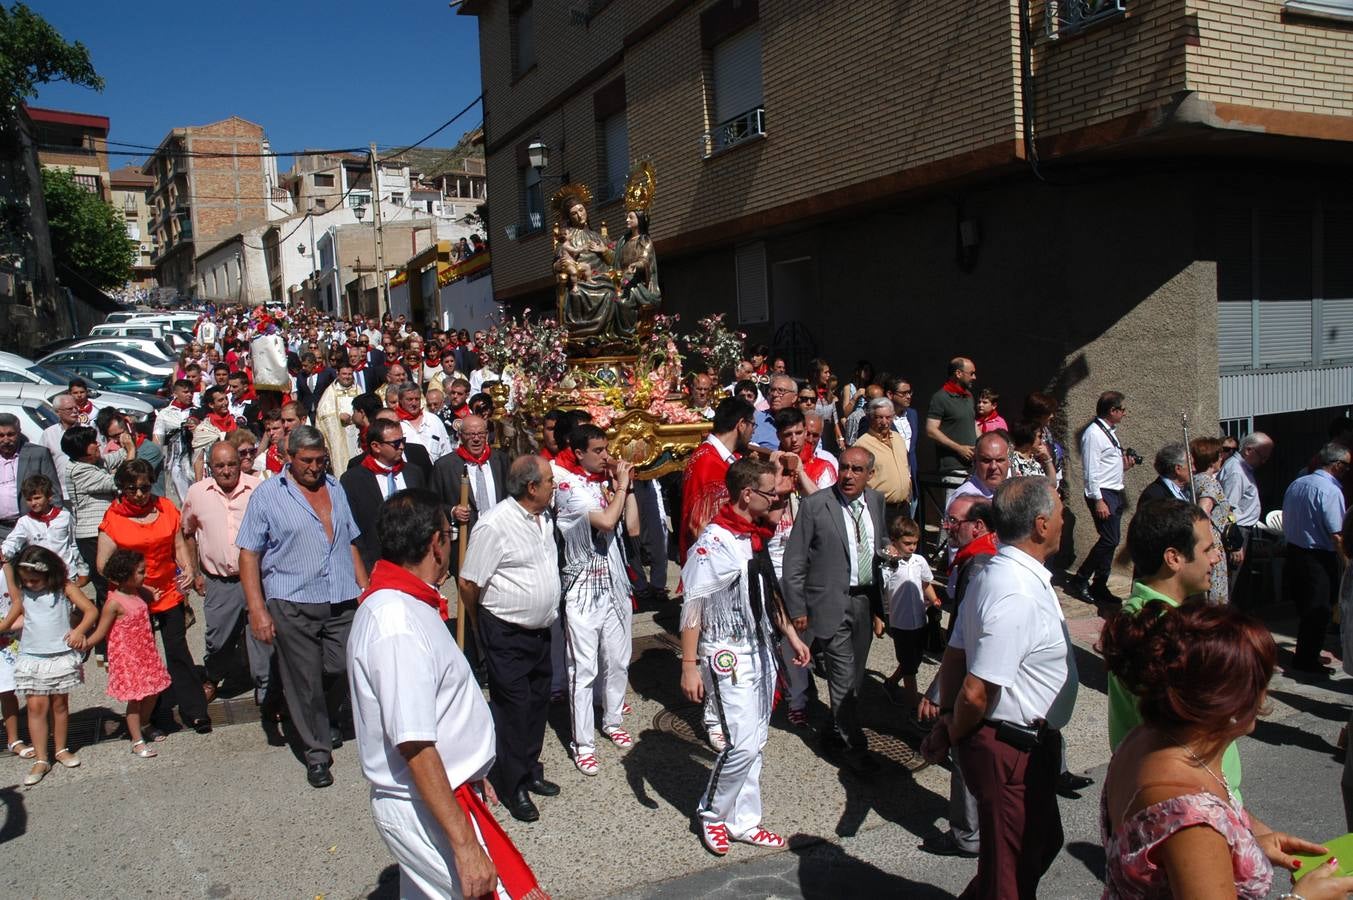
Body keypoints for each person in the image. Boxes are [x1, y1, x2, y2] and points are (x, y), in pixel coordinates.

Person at [348, 489, 548, 900]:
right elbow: (416, 743)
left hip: (443, 794)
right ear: (436, 544)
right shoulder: (396, 623)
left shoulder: (406, 603)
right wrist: (465, 843)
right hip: (426, 805)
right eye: (450, 535)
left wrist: (473, 769)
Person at [1099, 601, 1353, 899]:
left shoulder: (1148, 738)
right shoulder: (1192, 819)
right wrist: (1304, 898)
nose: (1264, 697)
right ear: (1228, 702)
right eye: (1260, 683)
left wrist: (1251, 840)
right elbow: (1192, 828)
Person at [922, 476, 1077, 900]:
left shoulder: (996, 572)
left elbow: (955, 654)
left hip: (1025, 744)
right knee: (1009, 874)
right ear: (1041, 525)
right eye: (1062, 511)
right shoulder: (1014, 590)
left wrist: (948, 723)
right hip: (1011, 749)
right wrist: (950, 731)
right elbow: (975, 690)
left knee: (1038, 846)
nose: (1067, 519)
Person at [680, 457, 812, 855]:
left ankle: (745, 821)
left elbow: (765, 590)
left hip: (760, 648)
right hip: (726, 652)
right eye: (770, 493)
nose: (777, 498)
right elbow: (693, 606)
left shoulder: (753, 535)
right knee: (741, 744)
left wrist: (789, 634)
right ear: (747, 494)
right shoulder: (713, 543)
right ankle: (712, 813)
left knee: (757, 740)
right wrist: (689, 666)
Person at [237, 425, 368, 789]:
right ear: (288, 458)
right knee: (305, 680)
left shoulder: (335, 487)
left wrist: (364, 585)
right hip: (292, 599)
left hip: (340, 597)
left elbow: (350, 540)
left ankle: (318, 713)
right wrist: (257, 609)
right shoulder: (267, 496)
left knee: (343, 663)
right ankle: (316, 753)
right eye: (306, 461)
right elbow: (249, 555)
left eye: (319, 460)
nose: (314, 467)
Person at [458, 455, 562, 823]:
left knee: (537, 704)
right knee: (513, 708)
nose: (555, 485)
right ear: (531, 487)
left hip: (539, 632)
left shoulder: (543, 518)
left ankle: (530, 767)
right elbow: (469, 582)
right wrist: (478, 626)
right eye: (550, 481)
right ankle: (512, 782)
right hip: (506, 632)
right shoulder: (495, 525)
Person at [782, 446, 889, 773]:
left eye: (857, 470)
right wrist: (797, 606)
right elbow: (794, 562)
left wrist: (880, 607)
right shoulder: (816, 505)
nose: (848, 475)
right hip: (829, 603)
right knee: (842, 676)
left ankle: (832, 728)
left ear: (869, 474)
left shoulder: (876, 501)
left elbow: (879, 549)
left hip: (863, 601)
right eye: (844, 468)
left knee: (855, 678)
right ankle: (854, 750)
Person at [97, 458, 210, 738]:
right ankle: (152, 715)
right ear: (122, 488)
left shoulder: (164, 507)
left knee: (177, 650)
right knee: (144, 658)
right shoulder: (114, 517)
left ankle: (195, 712)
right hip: (134, 598)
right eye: (131, 489)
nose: (138, 494)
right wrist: (136, 586)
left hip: (168, 592)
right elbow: (103, 565)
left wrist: (187, 568)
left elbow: (178, 544)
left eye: (144, 488)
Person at [916, 495, 997, 860]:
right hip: (979, 674)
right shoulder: (975, 559)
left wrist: (938, 692)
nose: (947, 528)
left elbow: (963, 637)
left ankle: (967, 835)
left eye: (954, 522)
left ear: (977, 527)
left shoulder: (978, 566)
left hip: (972, 678)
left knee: (964, 750)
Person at [556, 425, 640, 776]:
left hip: (614, 580)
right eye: (599, 451)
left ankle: (612, 717)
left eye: (607, 449)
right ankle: (582, 742)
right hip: (582, 586)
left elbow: (632, 527)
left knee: (619, 658)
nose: (607, 457)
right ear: (578, 452)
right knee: (584, 667)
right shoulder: (565, 485)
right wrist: (619, 488)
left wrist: (628, 488)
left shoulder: (600, 482)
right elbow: (607, 521)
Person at [181, 441, 271, 705]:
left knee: (262, 637)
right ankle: (212, 675)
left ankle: (266, 691)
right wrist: (195, 572)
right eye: (220, 466)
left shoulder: (258, 489)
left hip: (256, 577)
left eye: (232, 464)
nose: (227, 471)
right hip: (220, 581)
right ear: (211, 467)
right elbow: (187, 533)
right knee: (218, 639)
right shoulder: (198, 493)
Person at [0, 545, 97, 786]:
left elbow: (91, 611)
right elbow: (11, 617)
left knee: (60, 705)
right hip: (33, 656)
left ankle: (61, 749)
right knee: (35, 707)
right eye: (26, 580)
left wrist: (79, 631)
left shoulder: (64, 588)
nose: (30, 584)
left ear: (48, 572)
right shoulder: (22, 593)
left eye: (35, 580)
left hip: (60, 655)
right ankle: (41, 758)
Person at [77, 548, 172, 759]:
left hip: (146, 652)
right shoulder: (113, 603)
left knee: (153, 692)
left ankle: (145, 723)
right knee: (135, 699)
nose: (144, 574)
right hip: (128, 657)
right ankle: (136, 740)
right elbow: (101, 631)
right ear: (124, 575)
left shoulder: (137, 591)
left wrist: (152, 594)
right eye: (140, 572)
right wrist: (86, 643)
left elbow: (148, 601)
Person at [1282, 442, 1349, 676]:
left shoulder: (1298, 482)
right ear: (1338, 465)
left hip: (1294, 552)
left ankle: (1307, 652)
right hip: (1318, 556)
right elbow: (1337, 533)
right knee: (1318, 610)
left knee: (1305, 607)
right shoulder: (1330, 490)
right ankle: (1306, 660)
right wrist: (1346, 563)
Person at [1067, 391, 1136, 604]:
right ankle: (1081, 580)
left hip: (1113, 490)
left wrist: (1124, 466)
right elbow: (1090, 471)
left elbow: (1106, 465)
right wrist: (1098, 500)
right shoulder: (1094, 434)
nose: (1125, 413)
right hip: (1103, 493)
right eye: (1122, 409)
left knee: (1111, 540)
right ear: (1112, 411)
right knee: (1109, 539)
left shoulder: (1109, 432)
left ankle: (1100, 584)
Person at [341, 419, 428, 576]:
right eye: (395, 443)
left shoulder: (413, 472)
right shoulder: (353, 480)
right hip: (376, 566)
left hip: (415, 563)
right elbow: (353, 530)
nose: (401, 446)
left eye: (403, 441)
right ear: (376, 446)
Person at [679, 398, 755, 561]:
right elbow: (699, 524)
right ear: (741, 425)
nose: (753, 431)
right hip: (713, 565)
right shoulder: (707, 462)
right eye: (752, 425)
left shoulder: (724, 458)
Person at [431, 415, 506, 577]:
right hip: (466, 543)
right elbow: (432, 504)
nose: (477, 439)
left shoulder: (500, 460)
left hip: (499, 540)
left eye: (480, 434)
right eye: (471, 435)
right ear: (460, 436)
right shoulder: (445, 466)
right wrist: (452, 511)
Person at [879, 515, 939, 713]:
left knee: (914, 658)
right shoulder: (888, 565)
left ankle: (890, 684)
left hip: (919, 620)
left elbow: (925, 582)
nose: (912, 547)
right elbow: (881, 591)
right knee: (909, 666)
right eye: (907, 543)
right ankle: (913, 708)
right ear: (894, 541)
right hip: (901, 623)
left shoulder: (919, 561)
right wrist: (879, 617)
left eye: (915, 543)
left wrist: (934, 599)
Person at [2, 474, 85, 592]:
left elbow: (73, 545)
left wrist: (82, 570)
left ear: (49, 497)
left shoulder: (65, 517)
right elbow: (12, 542)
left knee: (66, 608)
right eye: (29, 499)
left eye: (37, 498)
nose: (33, 503)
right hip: (39, 576)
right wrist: (4, 552)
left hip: (65, 574)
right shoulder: (25, 522)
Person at [1219, 431, 1272, 598]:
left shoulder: (1244, 469)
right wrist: (1234, 543)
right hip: (1237, 531)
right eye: (1262, 456)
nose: (1264, 462)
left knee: (1241, 584)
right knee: (1235, 586)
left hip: (1243, 530)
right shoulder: (1236, 471)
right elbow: (1228, 508)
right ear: (1248, 450)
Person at [1190, 436, 1236, 605]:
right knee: (1214, 596)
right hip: (1211, 541)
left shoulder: (1194, 480)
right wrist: (1210, 546)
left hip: (1201, 542)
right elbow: (1202, 514)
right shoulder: (1209, 483)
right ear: (1212, 459)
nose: (1221, 458)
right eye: (1219, 455)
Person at [0, 413, 61, 541]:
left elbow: (54, 492)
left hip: (34, 525)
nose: (6, 440)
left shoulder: (38, 454)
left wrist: (53, 523)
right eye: (1, 435)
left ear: (19, 432)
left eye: (10, 435)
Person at [925, 357, 979, 498]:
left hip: (973, 467)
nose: (974, 377)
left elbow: (973, 425)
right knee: (954, 511)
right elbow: (931, 430)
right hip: (953, 468)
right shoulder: (940, 398)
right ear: (958, 373)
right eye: (971, 373)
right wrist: (959, 448)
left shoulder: (968, 397)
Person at [853, 397, 912, 523]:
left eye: (888, 417)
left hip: (903, 507)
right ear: (870, 418)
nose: (884, 422)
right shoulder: (862, 445)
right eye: (879, 417)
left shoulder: (898, 438)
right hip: (880, 509)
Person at [154, 379, 197, 504]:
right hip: (176, 461)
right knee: (184, 499)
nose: (189, 395)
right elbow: (157, 439)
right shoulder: (165, 414)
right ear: (175, 393)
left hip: (196, 458)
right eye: (185, 392)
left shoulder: (198, 411)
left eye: (191, 392)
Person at [314, 362, 362, 472]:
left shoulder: (358, 390)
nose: (347, 377)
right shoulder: (330, 392)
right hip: (339, 436)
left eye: (350, 374)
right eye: (344, 374)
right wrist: (337, 417)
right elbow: (322, 414)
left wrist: (352, 419)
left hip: (356, 434)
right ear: (338, 374)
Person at [398, 382, 453, 463]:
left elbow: (446, 451)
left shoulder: (434, 420)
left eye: (417, 399)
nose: (414, 403)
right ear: (400, 401)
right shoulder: (396, 424)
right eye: (409, 399)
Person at [41, 391, 79, 501]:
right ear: (58, 412)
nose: (75, 411)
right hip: (61, 493)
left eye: (76, 408)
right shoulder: (49, 434)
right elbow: (43, 464)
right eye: (69, 409)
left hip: (85, 491)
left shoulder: (88, 430)